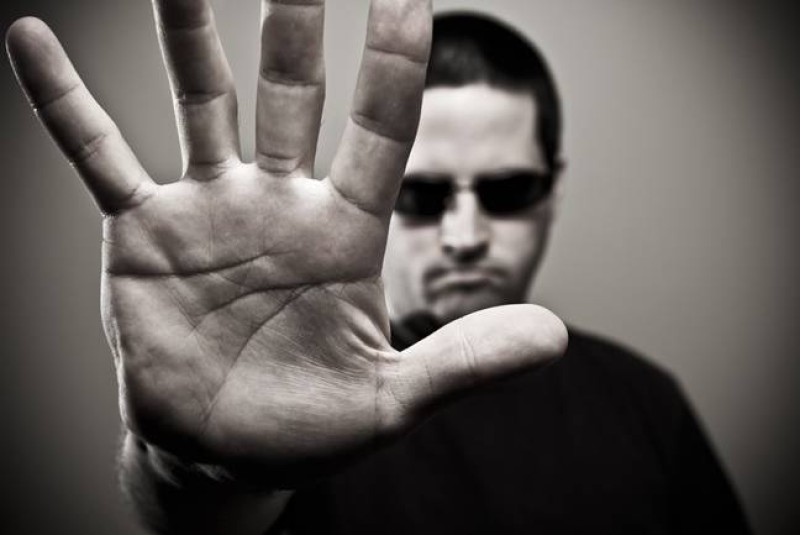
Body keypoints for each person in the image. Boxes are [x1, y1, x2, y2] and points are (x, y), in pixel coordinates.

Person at [5, 1, 751, 534]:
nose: (465, 236)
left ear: (552, 195)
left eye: (508, 191)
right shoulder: (304, 387)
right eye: (422, 196)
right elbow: (206, 520)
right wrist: (192, 470)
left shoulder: (646, 405)